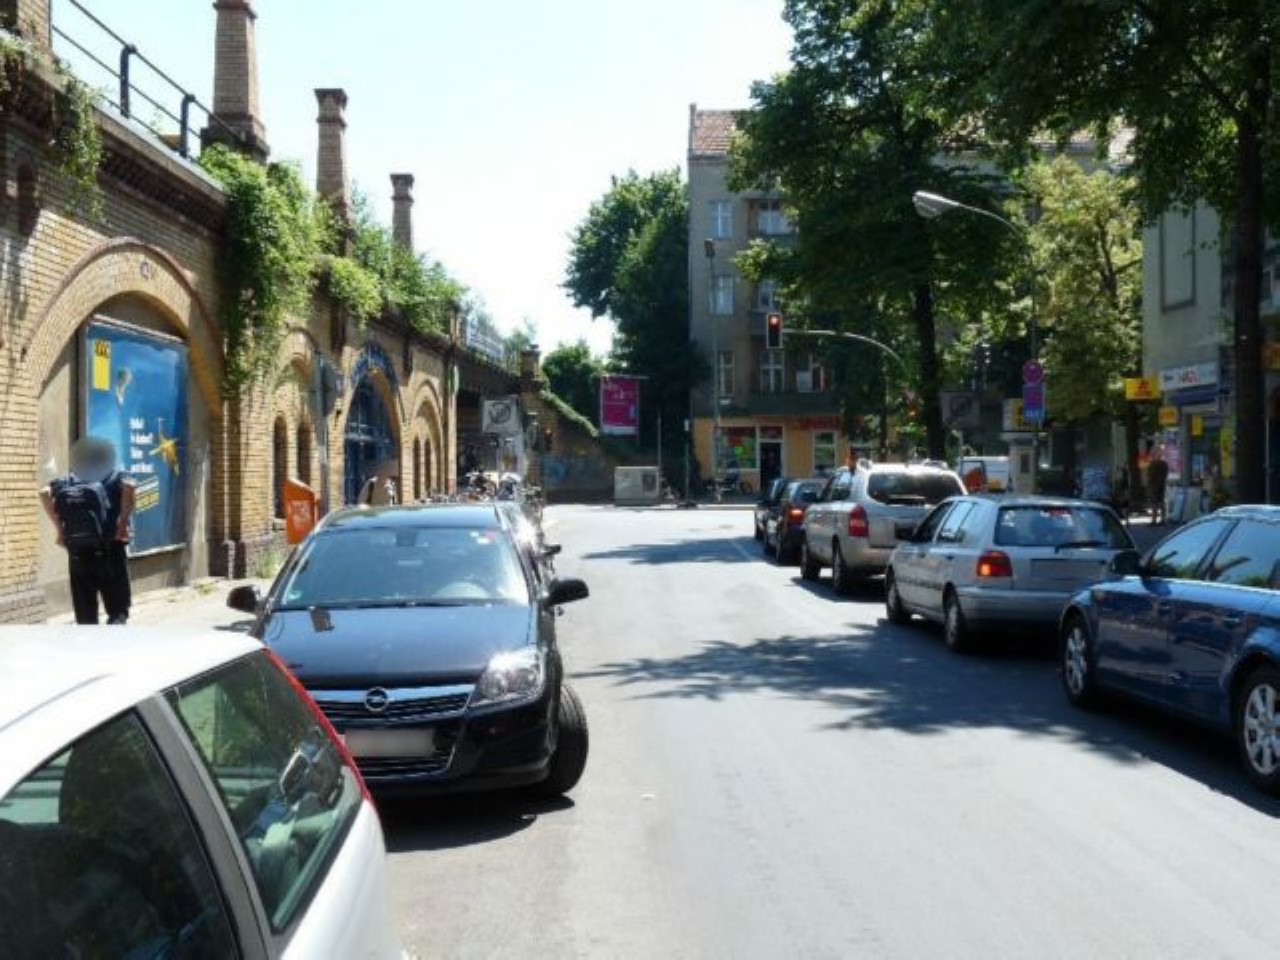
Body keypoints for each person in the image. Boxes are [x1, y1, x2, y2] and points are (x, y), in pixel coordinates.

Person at [39, 437, 135, 625]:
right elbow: (130, 486)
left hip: (78, 554)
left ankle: (88, 643)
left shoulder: (69, 480)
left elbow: (44, 493)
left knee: (85, 618)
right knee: (117, 613)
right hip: (111, 552)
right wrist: (123, 525)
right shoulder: (115, 475)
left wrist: (60, 531)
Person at [1147, 448, 1169, 524]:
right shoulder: (1164, 464)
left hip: (1154, 486)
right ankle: (1163, 519)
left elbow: (1151, 475)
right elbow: (1166, 474)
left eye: (1152, 454)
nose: (1151, 455)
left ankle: (1154, 520)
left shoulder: (1153, 464)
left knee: (1154, 503)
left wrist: (1149, 484)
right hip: (1162, 484)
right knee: (1161, 502)